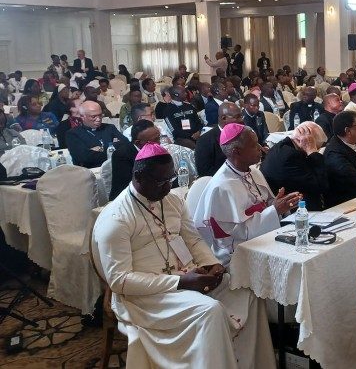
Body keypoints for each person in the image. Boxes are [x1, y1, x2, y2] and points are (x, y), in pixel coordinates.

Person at [93, 142, 276, 368]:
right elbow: (120, 281)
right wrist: (180, 281)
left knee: (246, 290)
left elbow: (193, 239)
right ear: (139, 177)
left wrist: (212, 264)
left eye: (170, 180)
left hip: (187, 277)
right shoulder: (116, 218)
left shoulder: (171, 201)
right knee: (210, 311)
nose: (167, 188)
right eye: (162, 182)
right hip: (145, 296)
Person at [194, 124, 300, 265]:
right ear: (237, 151)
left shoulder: (253, 172)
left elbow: (265, 205)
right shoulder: (222, 187)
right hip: (237, 255)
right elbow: (237, 235)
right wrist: (275, 210)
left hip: (265, 239)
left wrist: (278, 205)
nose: (260, 148)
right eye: (254, 145)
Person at [261, 122, 329, 211]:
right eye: (317, 147)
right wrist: (312, 151)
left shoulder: (282, 146)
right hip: (293, 213)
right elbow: (321, 185)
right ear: (306, 141)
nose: (317, 150)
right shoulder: (290, 156)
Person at [109, 119, 161, 200]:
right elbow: (130, 185)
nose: (159, 143)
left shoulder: (155, 149)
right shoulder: (122, 155)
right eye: (154, 140)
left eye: (158, 138)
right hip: (126, 200)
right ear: (138, 143)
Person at [67, 101, 127, 168]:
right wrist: (112, 148)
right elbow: (85, 158)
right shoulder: (73, 134)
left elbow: (126, 144)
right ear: (82, 117)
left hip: (114, 167)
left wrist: (100, 149)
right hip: (90, 171)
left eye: (100, 115)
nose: (98, 119)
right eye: (93, 116)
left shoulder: (109, 128)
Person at [196, 103, 243, 177]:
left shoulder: (243, 134)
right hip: (221, 182)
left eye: (241, 116)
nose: (241, 120)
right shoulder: (205, 141)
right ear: (224, 118)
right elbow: (204, 172)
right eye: (237, 117)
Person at [163, 85, 203, 149]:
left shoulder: (189, 106)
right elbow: (174, 130)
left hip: (197, 134)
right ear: (176, 94)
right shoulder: (168, 110)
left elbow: (198, 122)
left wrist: (199, 132)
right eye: (183, 92)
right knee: (193, 145)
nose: (186, 93)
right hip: (181, 138)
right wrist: (191, 136)